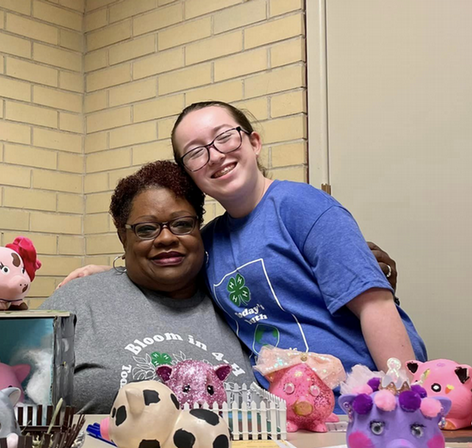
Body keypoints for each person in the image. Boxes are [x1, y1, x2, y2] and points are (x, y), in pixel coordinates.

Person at [167, 101, 426, 386]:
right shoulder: (207, 244)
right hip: (284, 414)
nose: (214, 156)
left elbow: (375, 306)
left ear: (254, 143)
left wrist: (405, 398)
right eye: (195, 152)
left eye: (225, 137)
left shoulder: (302, 206)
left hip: (358, 402)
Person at [39, 161, 257, 414]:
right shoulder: (78, 300)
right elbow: (13, 389)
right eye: (146, 229)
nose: (166, 238)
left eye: (182, 224)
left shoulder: (231, 303)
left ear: (199, 227)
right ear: (123, 237)